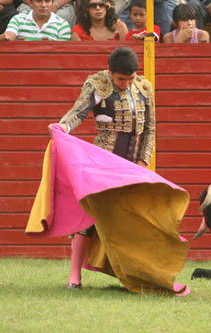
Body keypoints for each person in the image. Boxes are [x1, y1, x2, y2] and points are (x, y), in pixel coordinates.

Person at [47, 46, 155, 289]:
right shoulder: (98, 84)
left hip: (131, 165)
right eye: (121, 79)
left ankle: (132, 276)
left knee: (132, 219)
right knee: (88, 218)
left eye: (131, 78)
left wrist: (142, 163)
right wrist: (62, 127)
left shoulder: (143, 87)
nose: (126, 84)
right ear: (110, 72)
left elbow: (150, 129)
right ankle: (74, 278)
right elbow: (78, 112)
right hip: (103, 162)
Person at [0, 0, 70, 40]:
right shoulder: (17, 19)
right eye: (39, 1)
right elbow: (10, 34)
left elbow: (61, 53)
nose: (43, 5)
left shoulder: (62, 25)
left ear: (52, 3)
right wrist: (5, 37)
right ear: (31, 3)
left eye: (47, 1)